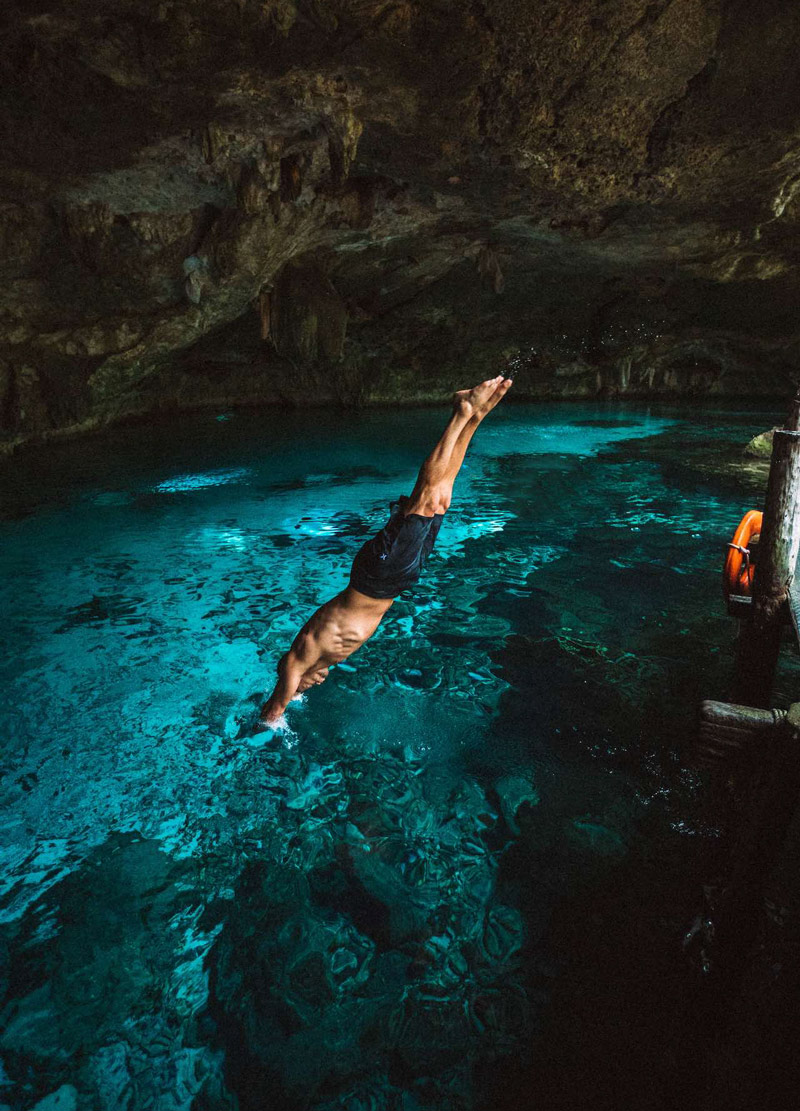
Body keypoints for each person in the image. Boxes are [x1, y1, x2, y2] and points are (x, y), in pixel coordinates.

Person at [258, 375, 513, 726]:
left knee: (425, 498)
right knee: (440, 500)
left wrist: (275, 717)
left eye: (304, 688)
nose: (313, 685)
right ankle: (475, 417)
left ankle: (461, 412)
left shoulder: (296, 660)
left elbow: (274, 709)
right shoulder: (319, 660)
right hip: (391, 580)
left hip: (378, 576)